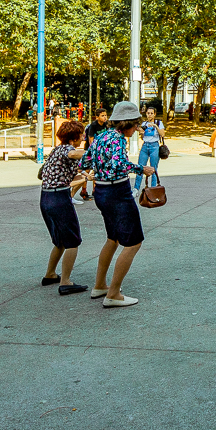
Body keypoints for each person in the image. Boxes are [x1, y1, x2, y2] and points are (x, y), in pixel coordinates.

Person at [82, 101, 154, 307]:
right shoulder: (119, 139)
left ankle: (100, 285)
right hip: (117, 192)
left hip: (101, 191)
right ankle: (113, 294)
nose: (136, 129)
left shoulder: (101, 135)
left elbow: (85, 161)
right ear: (128, 124)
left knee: (112, 238)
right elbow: (118, 164)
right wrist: (142, 169)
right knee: (133, 242)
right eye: (135, 125)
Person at [38, 120, 89, 294]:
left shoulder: (56, 150)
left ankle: (50, 274)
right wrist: (94, 153)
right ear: (74, 137)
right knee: (73, 241)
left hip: (45, 197)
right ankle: (65, 281)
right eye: (81, 134)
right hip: (59, 199)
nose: (83, 137)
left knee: (59, 240)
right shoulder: (68, 149)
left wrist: (83, 176)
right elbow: (74, 155)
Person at [134, 106, 164, 192]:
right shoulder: (144, 124)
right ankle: (136, 188)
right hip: (145, 146)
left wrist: (155, 126)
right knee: (140, 167)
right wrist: (141, 133)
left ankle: (153, 188)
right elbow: (143, 137)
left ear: (154, 114)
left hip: (154, 146)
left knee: (153, 168)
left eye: (151, 113)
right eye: (148, 113)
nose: (149, 115)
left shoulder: (158, 123)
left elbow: (162, 134)